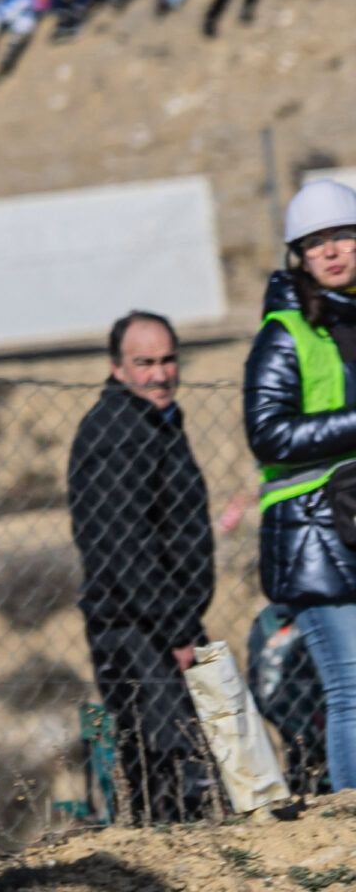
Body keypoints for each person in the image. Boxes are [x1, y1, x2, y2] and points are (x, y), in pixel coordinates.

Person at [68, 314, 216, 825]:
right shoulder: (119, 431)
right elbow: (123, 547)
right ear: (117, 368)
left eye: (168, 360)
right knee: (171, 765)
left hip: (163, 621)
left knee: (188, 755)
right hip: (138, 629)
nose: (160, 374)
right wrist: (176, 628)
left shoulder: (154, 419)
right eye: (144, 363)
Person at [247, 178, 356, 789]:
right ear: (300, 257)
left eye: (344, 236)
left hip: (353, 517)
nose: (334, 251)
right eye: (317, 244)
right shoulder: (286, 334)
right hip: (314, 534)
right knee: (351, 686)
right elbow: (268, 435)